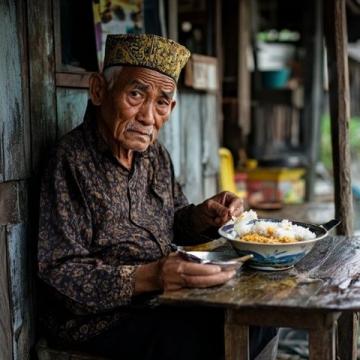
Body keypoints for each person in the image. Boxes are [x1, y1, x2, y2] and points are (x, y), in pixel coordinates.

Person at [37, 34, 277, 359]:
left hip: (164, 302)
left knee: (260, 316)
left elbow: (175, 220)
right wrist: (150, 276)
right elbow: (58, 272)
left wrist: (202, 217)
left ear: (171, 107)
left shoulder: (155, 156)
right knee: (207, 339)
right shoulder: (70, 160)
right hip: (101, 321)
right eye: (136, 94)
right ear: (98, 90)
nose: (148, 117)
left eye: (161, 102)